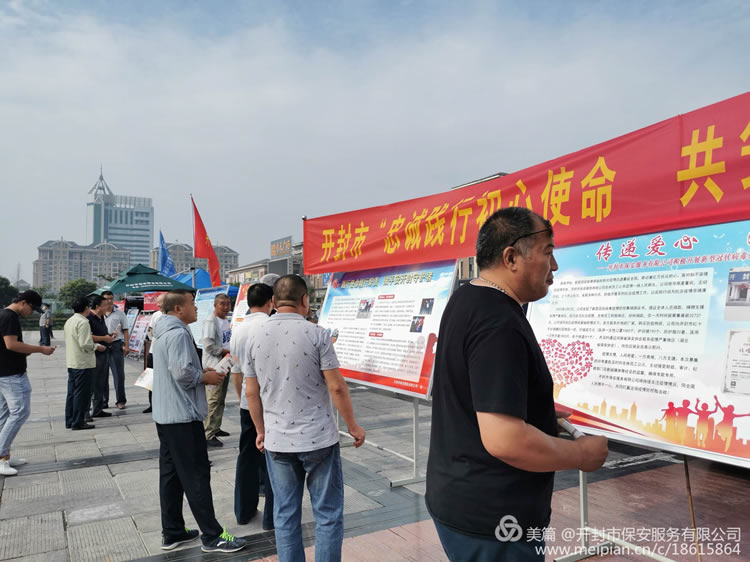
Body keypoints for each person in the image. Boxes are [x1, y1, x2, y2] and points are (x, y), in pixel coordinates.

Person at [425, 207, 608, 561]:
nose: (554, 266)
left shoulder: (468, 297)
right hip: (495, 521)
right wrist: (581, 455)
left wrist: (534, 410)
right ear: (511, 258)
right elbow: (505, 439)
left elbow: (477, 393)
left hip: (460, 498)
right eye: (548, 252)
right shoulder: (498, 323)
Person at [245, 274, 366, 562]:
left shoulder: (255, 336)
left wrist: (260, 430)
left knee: (285, 515)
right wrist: (352, 426)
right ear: (304, 299)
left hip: (277, 441)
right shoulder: (317, 334)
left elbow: (251, 391)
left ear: (274, 301)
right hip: (318, 439)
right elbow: (337, 387)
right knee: (328, 514)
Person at [152, 289, 247, 553]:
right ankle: (212, 536)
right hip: (182, 417)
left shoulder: (163, 331)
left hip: (166, 416)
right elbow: (182, 373)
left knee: (171, 476)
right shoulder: (178, 333)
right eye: (192, 304)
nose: (196, 308)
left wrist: (200, 371)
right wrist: (204, 377)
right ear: (178, 309)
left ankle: (172, 531)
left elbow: (177, 369)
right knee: (196, 476)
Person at [230, 282, 275, 529]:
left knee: (246, 456)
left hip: (248, 403)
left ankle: (243, 510)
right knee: (274, 458)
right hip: (269, 402)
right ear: (271, 301)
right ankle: (272, 516)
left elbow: (236, 371)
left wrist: (243, 400)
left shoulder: (238, 329)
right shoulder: (270, 325)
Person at [0, 290, 56, 476]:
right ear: (23, 302)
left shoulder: (3, 314)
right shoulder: (10, 317)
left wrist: (26, 350)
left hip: (4, 372)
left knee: (5, 415)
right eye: (32, 308)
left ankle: (4, 455)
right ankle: (1, 455)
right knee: (20, 412)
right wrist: (41, 349)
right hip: (11, 375)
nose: (31, 313)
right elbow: (11, 344)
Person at [64, 297, 104, 431]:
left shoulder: (70, 321)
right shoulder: (83, 322)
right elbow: (85, 344)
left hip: (72, 361)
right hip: (83, 363)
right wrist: (97, 346)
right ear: (86, 308)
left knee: (71, 393)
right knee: (81, 394)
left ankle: (70, 420)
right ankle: (78, 422)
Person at [202, 293, 232, 447]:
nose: (226, 307)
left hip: (225, 363)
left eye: (228, 303)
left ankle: (216, 427)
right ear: (215, 305)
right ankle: (208, 433)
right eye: (222, 304)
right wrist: (225, 351)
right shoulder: (210, 321)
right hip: (214, 366)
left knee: (221, 398)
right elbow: (208, 345)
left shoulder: (225, 320)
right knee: (213, 400)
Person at [87, 295, 114, 419]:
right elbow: (87, 337)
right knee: (91, 384)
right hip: (94, 354)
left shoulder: (101, 317)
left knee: (101, 383)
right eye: (105, 305)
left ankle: (98, 409)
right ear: (97, 306)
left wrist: (109, 336)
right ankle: (86, 412)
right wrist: (104, 338)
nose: (108, 307)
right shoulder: (88, 318)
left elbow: (102, 334)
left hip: (104, 353)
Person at [102, 291, 130, 409]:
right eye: (106, 298)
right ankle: (103, 401)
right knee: (102, 375)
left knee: (118, 375)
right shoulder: (98, 313)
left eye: (111, 298)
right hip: (102, 346)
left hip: (115, 346)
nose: (109, 301)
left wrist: (127, 345)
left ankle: (120, 400)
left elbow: (125, 330)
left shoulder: (120, 313)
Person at [143, 292, 166, 414]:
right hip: (153, 351)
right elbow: (151, 331)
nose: (158, 305)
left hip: (165, 353)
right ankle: (152, 404)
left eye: (160, 302)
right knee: (151, 379)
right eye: (157, 302)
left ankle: (163, 403)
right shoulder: (156, 315)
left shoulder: (173, 315)